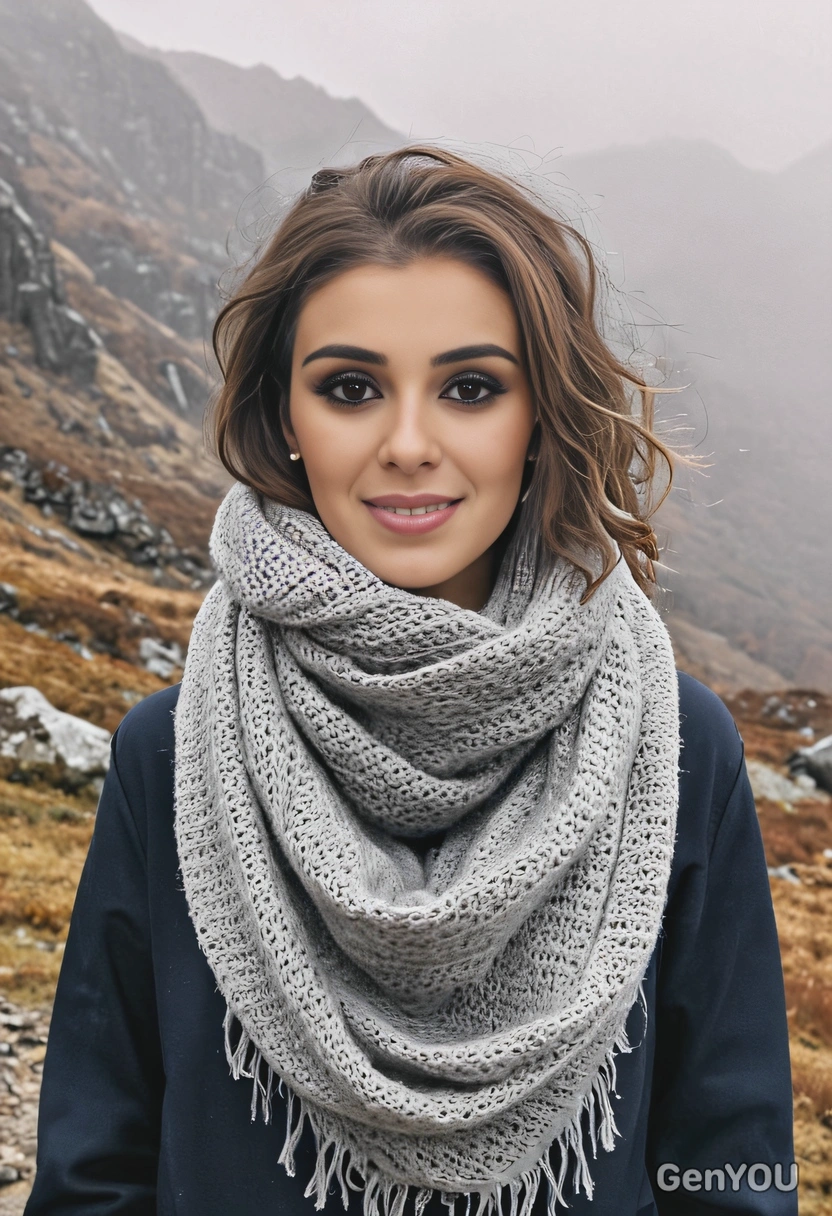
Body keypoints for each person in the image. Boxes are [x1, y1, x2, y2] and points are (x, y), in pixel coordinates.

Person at [25, 146, 796, 1216]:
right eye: (350, 388)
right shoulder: (173, 752)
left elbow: (728, 1171)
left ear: (539, 421)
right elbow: (92, 1173)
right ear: (286, 419)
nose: (406, 444)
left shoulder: (673, 746)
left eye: (470, 388)